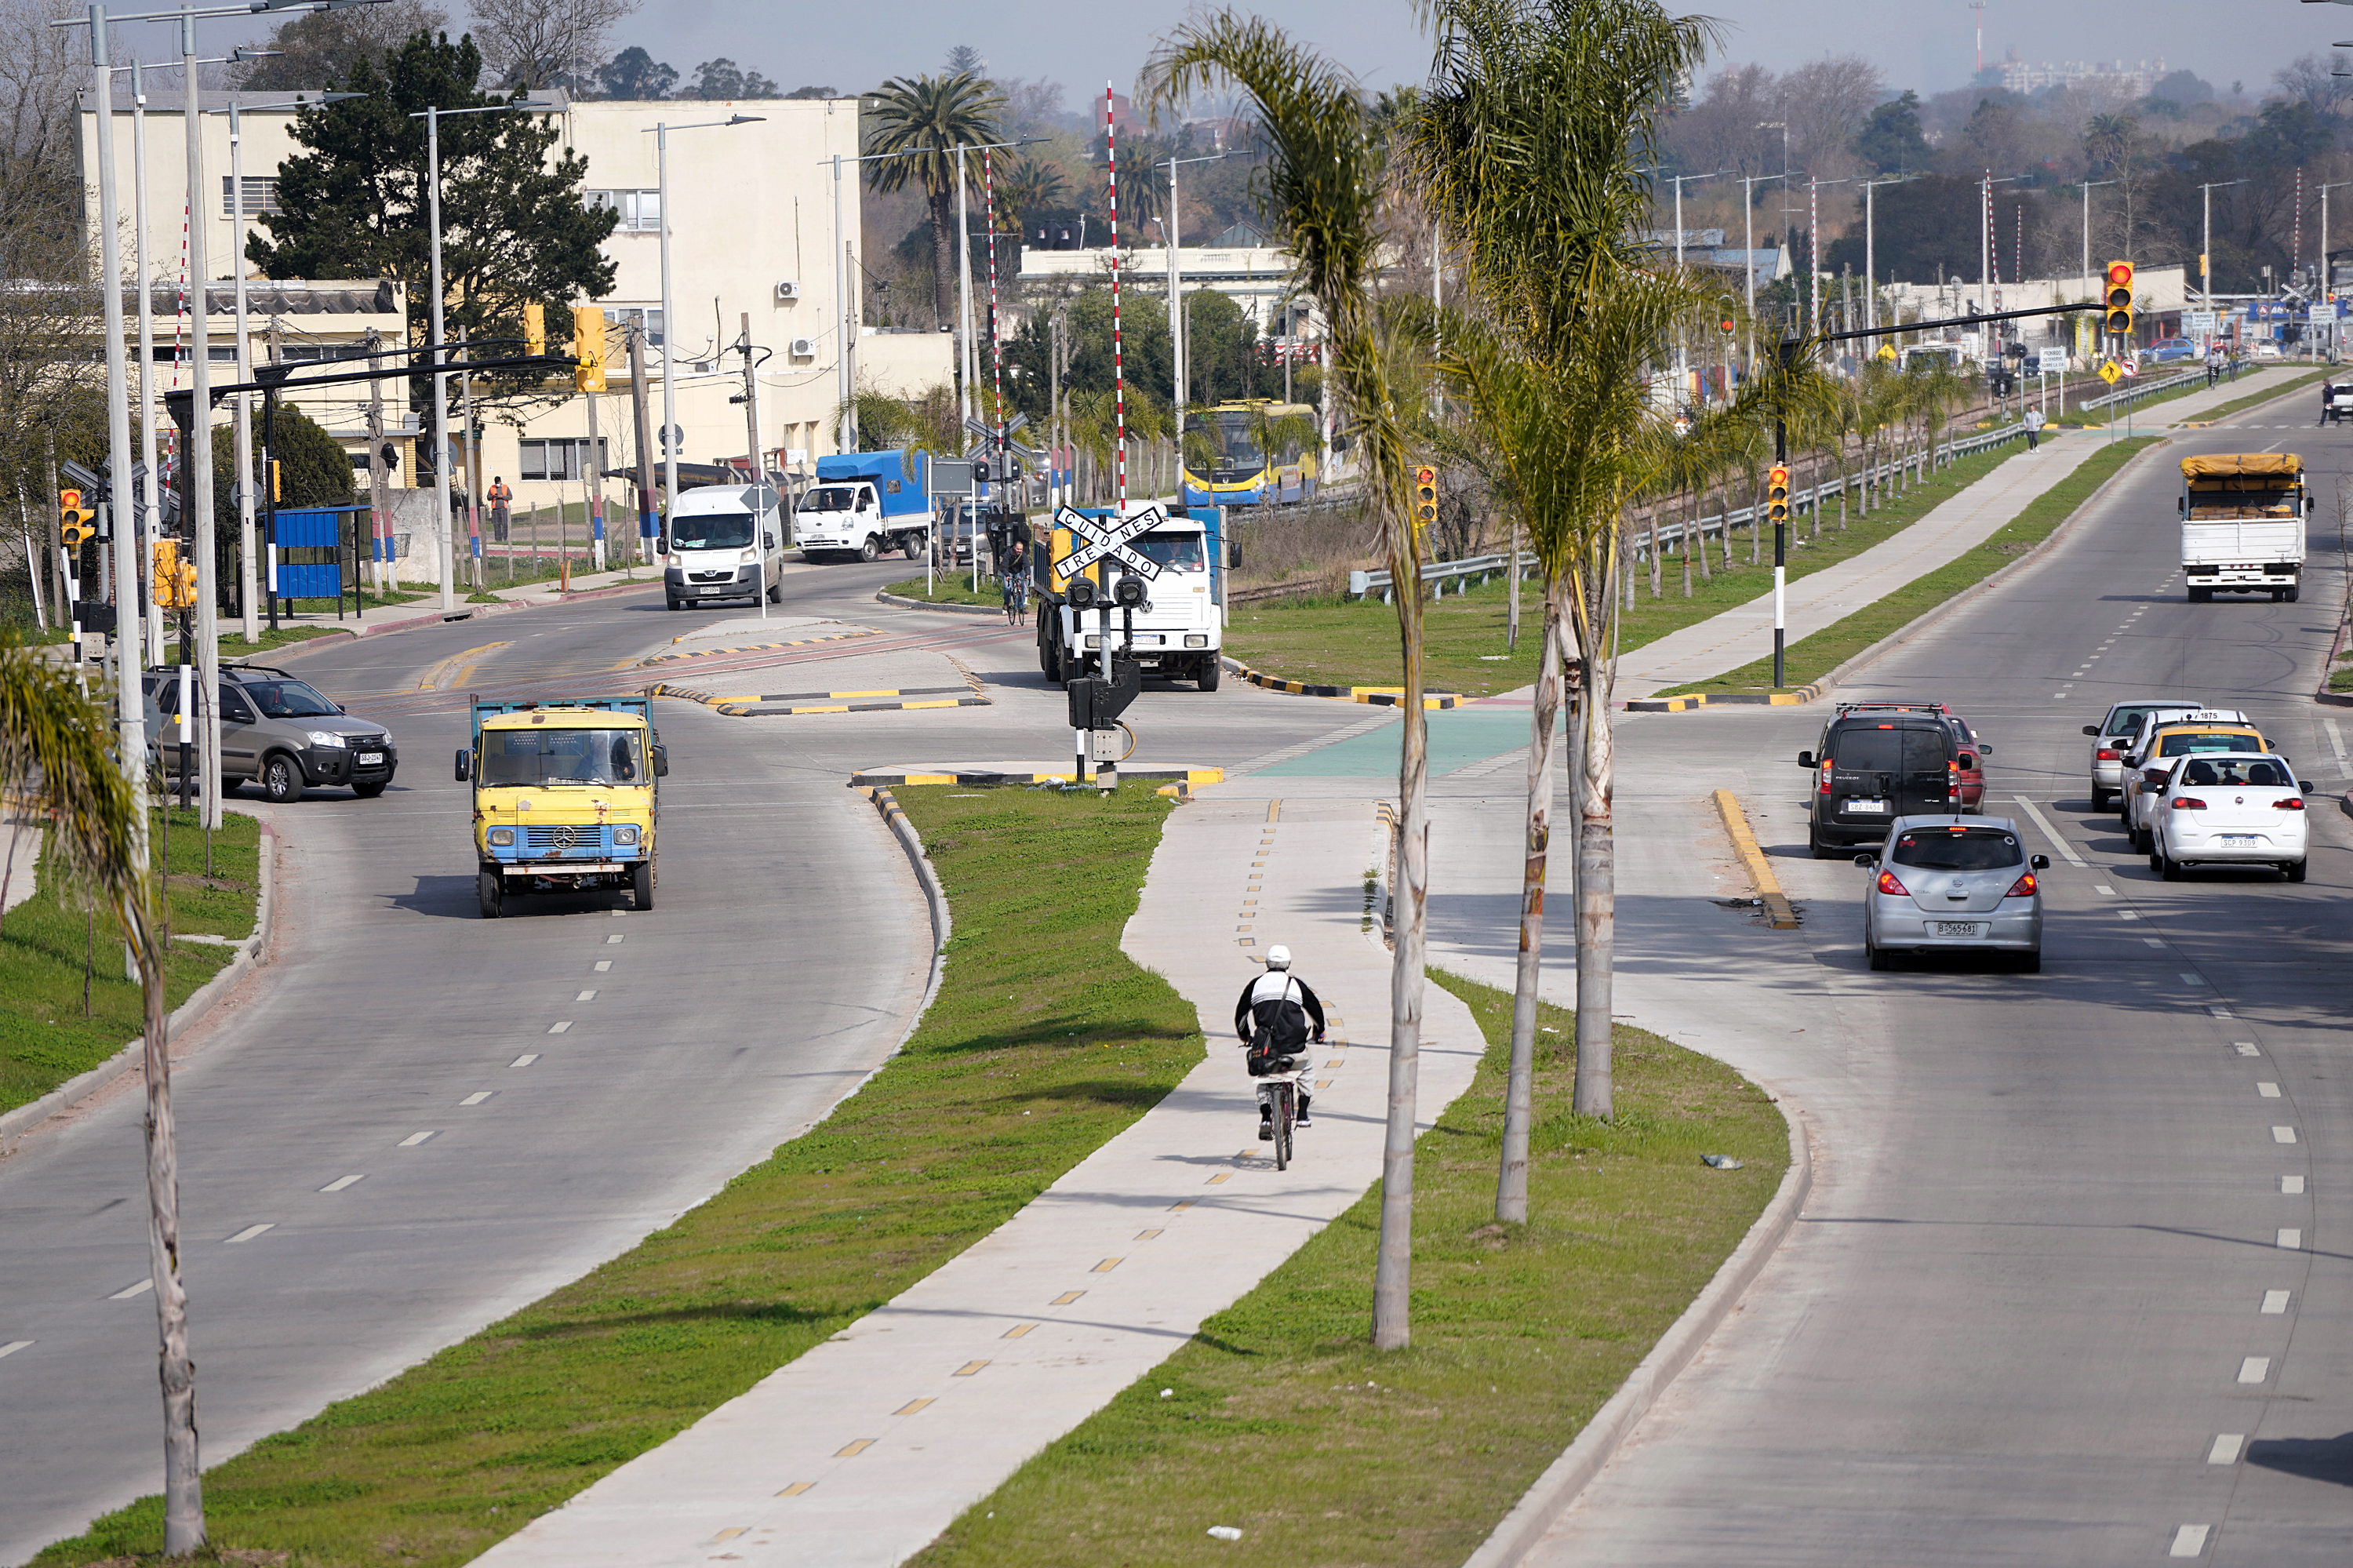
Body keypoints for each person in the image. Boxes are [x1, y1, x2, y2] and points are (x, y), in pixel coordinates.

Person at [1233, 945, 1325, 1141]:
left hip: (1267, 1050)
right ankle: (1303, 1115)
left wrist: (1245, 1036)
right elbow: (1315, 1009)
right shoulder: (1296, 984)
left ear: (1267, 963)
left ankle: (1266, 1119)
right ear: (1288, 964)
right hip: (1295, 1048)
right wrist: (1319, 1031)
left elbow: (1241, 1016)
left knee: (1264, 1080)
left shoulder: (1255, 985)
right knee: (1306, 1071)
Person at [1000, 533, 1029, 626]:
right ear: (1014, 548)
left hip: (1019, 572)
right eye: (1018, 549)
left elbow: (1026, 565)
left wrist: (1028, 574)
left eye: (1021, 549)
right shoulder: (1008, 554)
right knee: (1008, 588)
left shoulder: (1023, 555)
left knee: (1022, 587)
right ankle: (1006, 603)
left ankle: (1021, 606)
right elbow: (1004, 566)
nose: (1019, 551)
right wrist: (1007, 575)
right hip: (1008, 572)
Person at [488, 476, 513, 544]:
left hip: (503, 509)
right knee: (496, 525)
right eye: (496, 483)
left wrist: (502, 496)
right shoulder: (492, 488)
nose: (497, 484)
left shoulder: (505, 487)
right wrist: (493, 496)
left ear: (500, 481)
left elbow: (510, 497)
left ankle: (505, 538)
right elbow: (488, 497)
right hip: (495, 510)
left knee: (505, 524)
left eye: (498, 482)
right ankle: (498, 540)